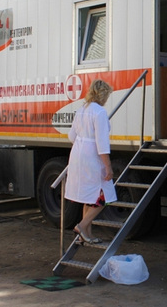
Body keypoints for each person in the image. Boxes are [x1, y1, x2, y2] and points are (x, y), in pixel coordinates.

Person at [65, 79, 117, 243]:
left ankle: (86, 234)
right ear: (103, 95)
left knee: (88, 195)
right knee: (104, 196)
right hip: (92, 156)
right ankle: (82, 226)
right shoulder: (99, 112)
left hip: (77, 153)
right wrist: (108, 167)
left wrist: (82, 143)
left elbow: (71, 136)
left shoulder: (81, 110)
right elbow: (102, 143)